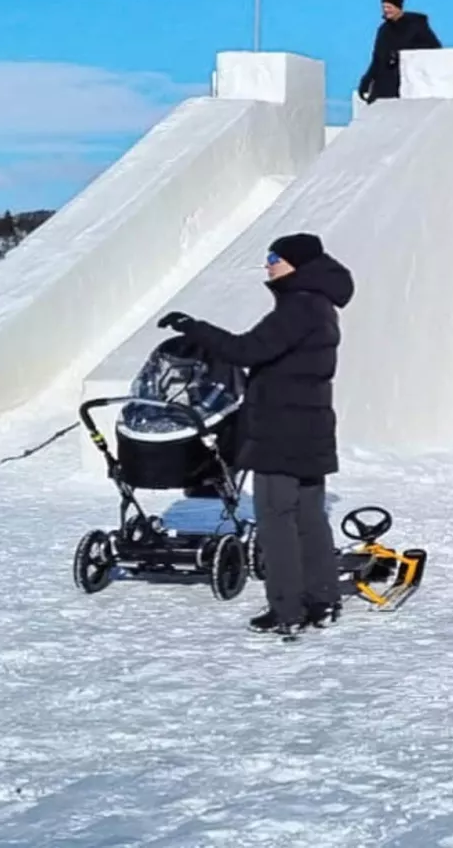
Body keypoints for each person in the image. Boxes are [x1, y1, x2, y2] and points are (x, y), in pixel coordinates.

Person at [156, 232, 355, 636]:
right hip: (312, 428)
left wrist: (194, 328)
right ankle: (323, 600)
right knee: (309, 518)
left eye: (274, 257)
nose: (267, 265)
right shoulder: (320, 305)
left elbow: (248, 350)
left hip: (281, 431)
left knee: (276, 519)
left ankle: (288, 610)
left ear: (295, 264)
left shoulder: (298, 306)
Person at [357, 0, 442, 104]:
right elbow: (377, 58)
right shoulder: (383, 30)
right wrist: (367, 79)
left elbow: (434, 49)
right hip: (383, 86)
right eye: (384, 7)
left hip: (404, 84)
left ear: (398, 7)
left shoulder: (416, 26)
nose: (386, 10)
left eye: (389, 7)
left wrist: (401, 54)